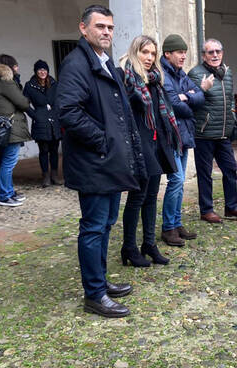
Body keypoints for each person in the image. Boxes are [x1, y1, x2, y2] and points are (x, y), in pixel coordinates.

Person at [57, 5, 146, 318]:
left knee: (106, 223)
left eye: (110, 27)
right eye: (100, 27)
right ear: (84, 29)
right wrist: (103, 141)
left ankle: (100, 281)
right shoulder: (76, 64)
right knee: (94, 227)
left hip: (107, 161)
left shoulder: (105, 62)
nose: (107, 32)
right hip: (94, 161)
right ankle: (94, 294)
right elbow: (68, 111)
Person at [119, 35, 180, 267]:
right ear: (136, 52)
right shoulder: (127, 79)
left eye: (153, 53)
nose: (149, 57)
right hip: (139, 146)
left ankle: (149, 244)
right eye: (145, 52)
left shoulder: (154, 80)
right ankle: (129, 247)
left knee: (152, 198)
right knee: (137, 198)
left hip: (156, 145)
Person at [188, 38, 237, 224]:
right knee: (205, 173)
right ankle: (206, 210)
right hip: (204, 133)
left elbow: (230, 97)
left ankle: (231, 207)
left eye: (218, 51)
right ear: (203, 56)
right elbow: (193, 100)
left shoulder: (227, 72)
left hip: (224, 133)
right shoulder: (195, 73)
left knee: (230, 169)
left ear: (222, 53)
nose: (215, 55)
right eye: (210, 52)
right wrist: (202, 88)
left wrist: (232, 113)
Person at [159, 34, 204, 246]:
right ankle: (168, 228)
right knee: (175, 180)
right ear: (168, 53)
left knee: (180, 182)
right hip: (171, 135)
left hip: (183, 134)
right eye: (179, 52)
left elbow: (199, 97)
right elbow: (173, 104)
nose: (183, 56)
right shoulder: (163, 75)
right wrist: (186, 98)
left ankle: (176, 224)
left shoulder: (180, 74)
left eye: (185, 52)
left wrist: (187, 97)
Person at [0, 54, 31, 207]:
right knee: (8, 163)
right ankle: (5, 195)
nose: (17, 68)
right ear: (8, 67)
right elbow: (23, 103)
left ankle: (8, 192)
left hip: (3, 127)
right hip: (10, 127)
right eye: (15, 66)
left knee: (5, 161)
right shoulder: (6, 82)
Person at [23, 60, 63, 187]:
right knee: (44, 150)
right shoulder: (30, 85)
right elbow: (24, 103)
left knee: (54, 150)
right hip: (40, 121)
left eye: (44, 70)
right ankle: (45, 176)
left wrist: (56, 112)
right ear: (36, 71)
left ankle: (55, 175)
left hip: (54, 120)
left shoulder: (54, 83)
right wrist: (35, 114)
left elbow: (59, 99)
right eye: (40, 70)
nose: (42, 72)